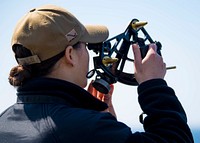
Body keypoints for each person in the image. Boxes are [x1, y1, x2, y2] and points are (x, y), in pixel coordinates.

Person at [0, 4, 194, 143]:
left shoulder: (4, 121)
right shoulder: (85, 129)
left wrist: (105, 124)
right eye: (85, 46)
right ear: (70, 55)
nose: (89, 53)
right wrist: (153, 85)